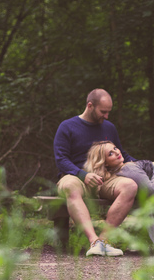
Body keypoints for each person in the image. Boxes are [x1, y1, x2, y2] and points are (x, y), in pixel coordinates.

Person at [54, 89, 138, 257]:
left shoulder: (109, 127)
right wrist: (83, 175)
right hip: (77, 177)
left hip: (106, 178)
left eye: (109, 112)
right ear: (90, 106)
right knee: (69, 185)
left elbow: (122, 153)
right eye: (103, 112)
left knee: (130, 186)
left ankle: (104, 241)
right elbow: (61, 159)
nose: (106, 116)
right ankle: (93, 241)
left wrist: (143, 165)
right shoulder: (67, 126)